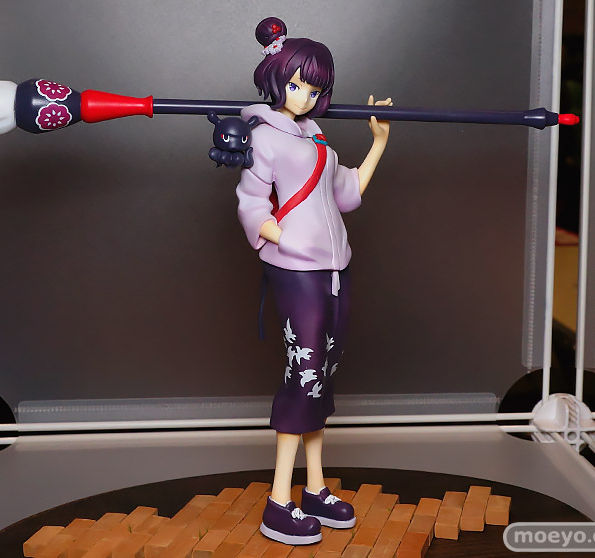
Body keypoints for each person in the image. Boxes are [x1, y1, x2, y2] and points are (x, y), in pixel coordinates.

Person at [235, 17, 392, 545]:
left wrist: (378, 143)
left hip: (335, 266)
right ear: (277, 77)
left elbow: (345, 193)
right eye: (297, 84)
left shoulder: (316, 135)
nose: (304, 96)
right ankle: (278, 500)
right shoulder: (263, 135)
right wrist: (279, 234)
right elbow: (251, 200)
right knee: (303, 375)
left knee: (322, 376)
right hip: (297, 269)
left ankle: (315, 488)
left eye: (314, 88)